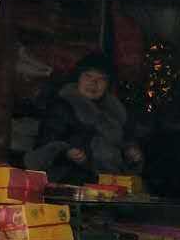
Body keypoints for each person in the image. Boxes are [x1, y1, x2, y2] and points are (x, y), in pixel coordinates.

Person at [25, 53, 144, 186]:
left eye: (102, 79)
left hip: (111, 185)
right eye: (88, 76)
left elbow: (125, 146)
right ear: (78, 79)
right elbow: (43, 149)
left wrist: (131, 154)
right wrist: (66, 152)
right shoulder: (62, 107)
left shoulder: (117, 114)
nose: (94, 83)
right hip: (68, 183)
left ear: (108, 85)